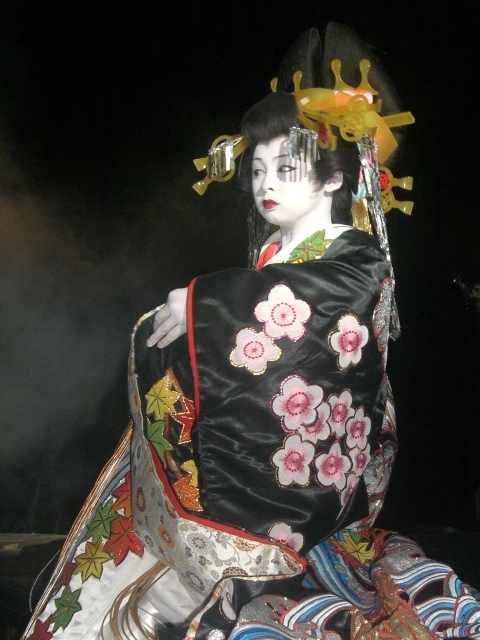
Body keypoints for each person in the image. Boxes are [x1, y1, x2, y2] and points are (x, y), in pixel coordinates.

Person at [22, 24, 480, 640]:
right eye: (258, 168)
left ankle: (229, 564)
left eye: (286, 167)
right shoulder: (272, 255)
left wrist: (204, 307)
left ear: (334, 179)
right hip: (256, 450)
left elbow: (319, 309)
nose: (266, 183)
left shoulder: (355, 256)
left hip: (309, 466)